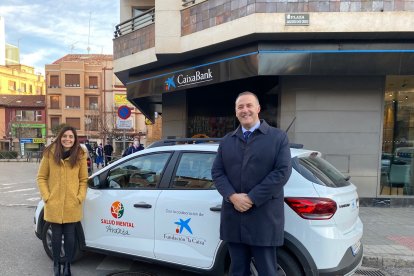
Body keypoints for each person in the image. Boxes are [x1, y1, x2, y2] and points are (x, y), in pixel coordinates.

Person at [211, 91, 292, 276]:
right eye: (240, 107)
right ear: (236, 111)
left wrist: (251, 198)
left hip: (264, 218)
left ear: (258, 108)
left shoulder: (277, 138)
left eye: (249, 105)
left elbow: (282, 172)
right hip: (234, 218)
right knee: (237, 270)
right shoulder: (227, 141)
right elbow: (217, 172)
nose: (245, 110)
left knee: (267, 271)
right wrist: (232, 197)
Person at [37, 126, 88, 276]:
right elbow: (41, 177)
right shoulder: (49, 153)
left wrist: (79, 197)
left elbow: (84, 179)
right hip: (54, 203)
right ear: (60, 137)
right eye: (65, 136)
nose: (68, 139)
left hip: (72, 204)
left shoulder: (80, 154)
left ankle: (67, 265)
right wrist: (47, 196)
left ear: (75, 139)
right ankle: (56, 264)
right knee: (56, 237)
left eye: (71, 137)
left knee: (71, 237)